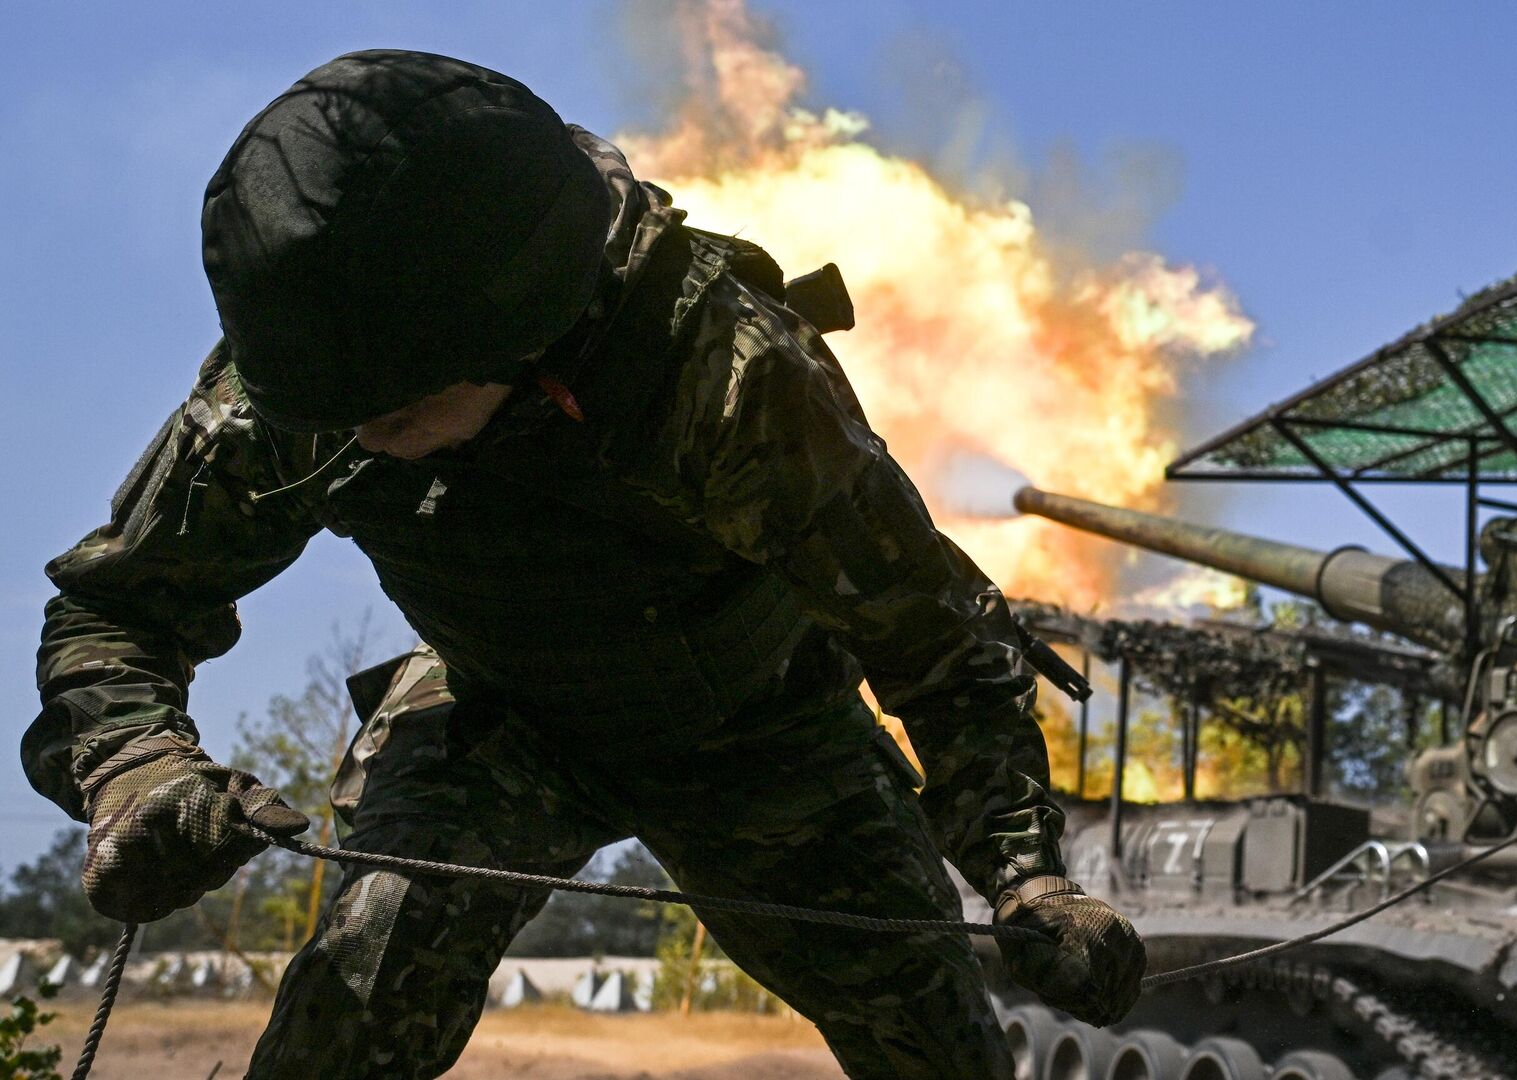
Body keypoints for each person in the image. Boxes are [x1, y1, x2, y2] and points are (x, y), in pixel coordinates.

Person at [26, 49, 1142, 1079]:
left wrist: (1023, 875)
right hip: (501, 718)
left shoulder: (728, 379)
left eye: (398, 412)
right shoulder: (305, 389)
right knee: (351, 1011)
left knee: (939, 1049)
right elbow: (115, 609)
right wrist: (137, 770)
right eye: (339, 415)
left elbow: (936, 641)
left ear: (521, 336)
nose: (362, 438)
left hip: (766, 736)